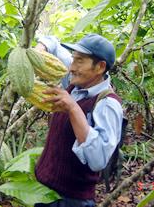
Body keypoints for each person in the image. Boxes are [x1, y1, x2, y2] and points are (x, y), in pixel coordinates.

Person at [34, 34, 123, 207]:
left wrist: (73, 109)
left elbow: (98, 160)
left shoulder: (108, 104)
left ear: (100, 67)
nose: (71, 67)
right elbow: (53, 43)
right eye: (73, 59)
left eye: (79, 61)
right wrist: (38, 50)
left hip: (71, 200)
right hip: (44, 193)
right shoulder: (76, 82)